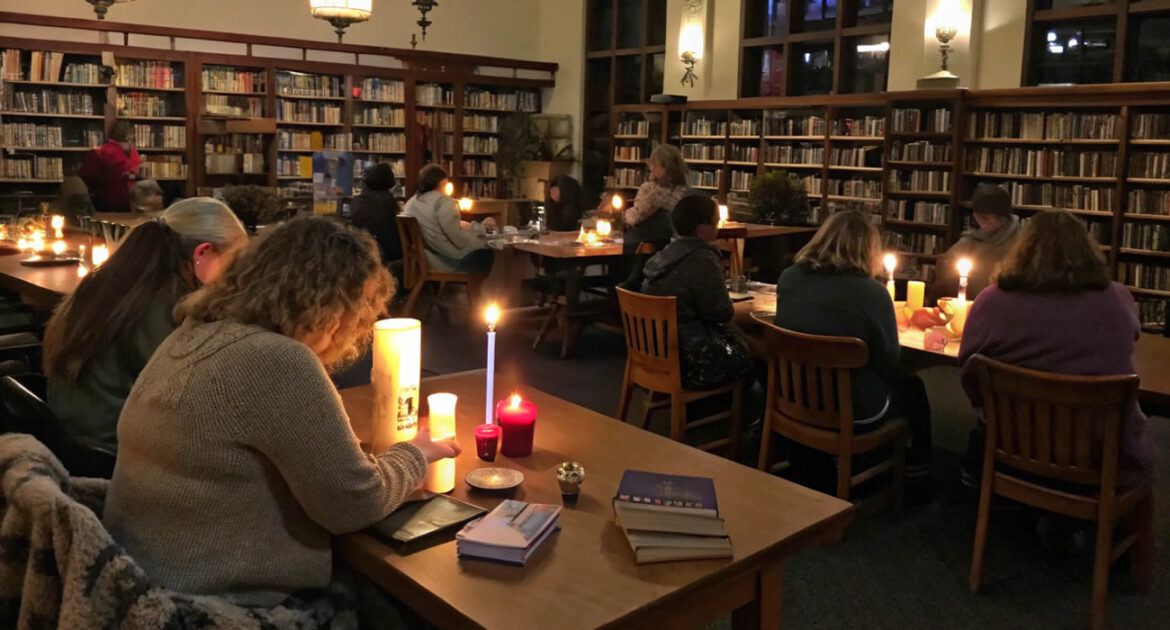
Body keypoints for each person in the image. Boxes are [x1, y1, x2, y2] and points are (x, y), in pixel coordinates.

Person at [102, 217, 461, 609]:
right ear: (334, 309)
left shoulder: (192, 332)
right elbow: (353, 503)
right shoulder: (278, 360)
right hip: (213, 605)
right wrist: (417, 453)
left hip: (141, 583)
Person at [958, 210, 1155, 488]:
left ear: (1021, 250)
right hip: (1100, 453)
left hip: (1011, 442)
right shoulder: (1117, 298)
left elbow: (969, 373)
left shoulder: (990, 300)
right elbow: (1129, 339)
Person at [43, 198, 249, 451]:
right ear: (202, 253)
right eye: (234, 265)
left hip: (74, 439)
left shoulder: (115, 282)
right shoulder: (163, 306)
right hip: (114, 455)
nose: (235, 280)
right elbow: (197, 399)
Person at [774, 210, 933, 484]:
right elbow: (889, 362)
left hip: (792, 397)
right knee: (913, 388)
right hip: (851, 409)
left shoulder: (789, 278)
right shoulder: (872, 293)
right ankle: (916, 470)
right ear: (868, 250)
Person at [641, 195, 752, 390]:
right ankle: (745, 413)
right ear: (703, 228)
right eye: (715, 222)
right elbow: (722, 313)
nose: (718, 227)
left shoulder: (664, 255)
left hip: (654, 353)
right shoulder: (701, 258)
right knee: (755, 351)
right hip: (692, 360)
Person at [930, 182, 1021, 301]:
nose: (982, 222)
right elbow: (945, 268)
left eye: (986, 217)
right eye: (977, 216)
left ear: (1003, 217)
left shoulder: (1020, 243)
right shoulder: (970, 241)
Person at [617, 144, 691, 288]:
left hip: (646, 244)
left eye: (654, 165)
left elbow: (636, 216)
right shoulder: (685, 191)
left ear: (665, 168)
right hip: (673, 245)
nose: (651, 168)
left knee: (621, 247)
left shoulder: (651, 190)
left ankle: (620, 291)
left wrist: (622, 216)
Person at [402, 164, 494, 274]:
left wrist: (469, 227)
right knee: (490, 252)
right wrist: (483, 234)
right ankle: (479, 290)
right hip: (448, 261)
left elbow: (438, 225)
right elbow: (458, 239)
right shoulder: (443, 201)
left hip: (428, 257)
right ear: (442, 182)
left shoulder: (410, 203)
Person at [80, 120, 141, 213]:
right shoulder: (104, 152)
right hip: (112, 200)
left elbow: (86, 175)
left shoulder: (132, 152)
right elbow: (87, 176)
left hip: (123, 200)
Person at [353, 162, 404, 266]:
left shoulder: (359, 199)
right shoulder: (386, 201)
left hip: (365, 249)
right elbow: (389, 233)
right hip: (385, 252)